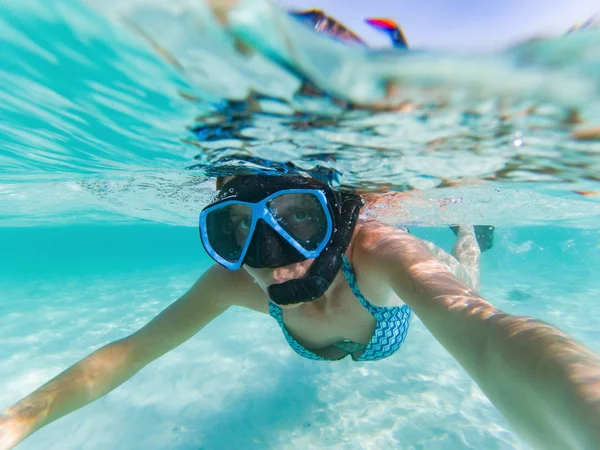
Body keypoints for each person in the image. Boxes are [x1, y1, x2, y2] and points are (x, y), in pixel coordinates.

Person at [1, 174, 599, 450]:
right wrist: (17, 422)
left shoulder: (382, 255)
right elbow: (131, 351)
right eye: (236, 231)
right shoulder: (236, 282)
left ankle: (466, 227)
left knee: (467, 279)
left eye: (299, 221)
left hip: (393, 296)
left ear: (336, 223)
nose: (268, 259)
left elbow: (493, 338)